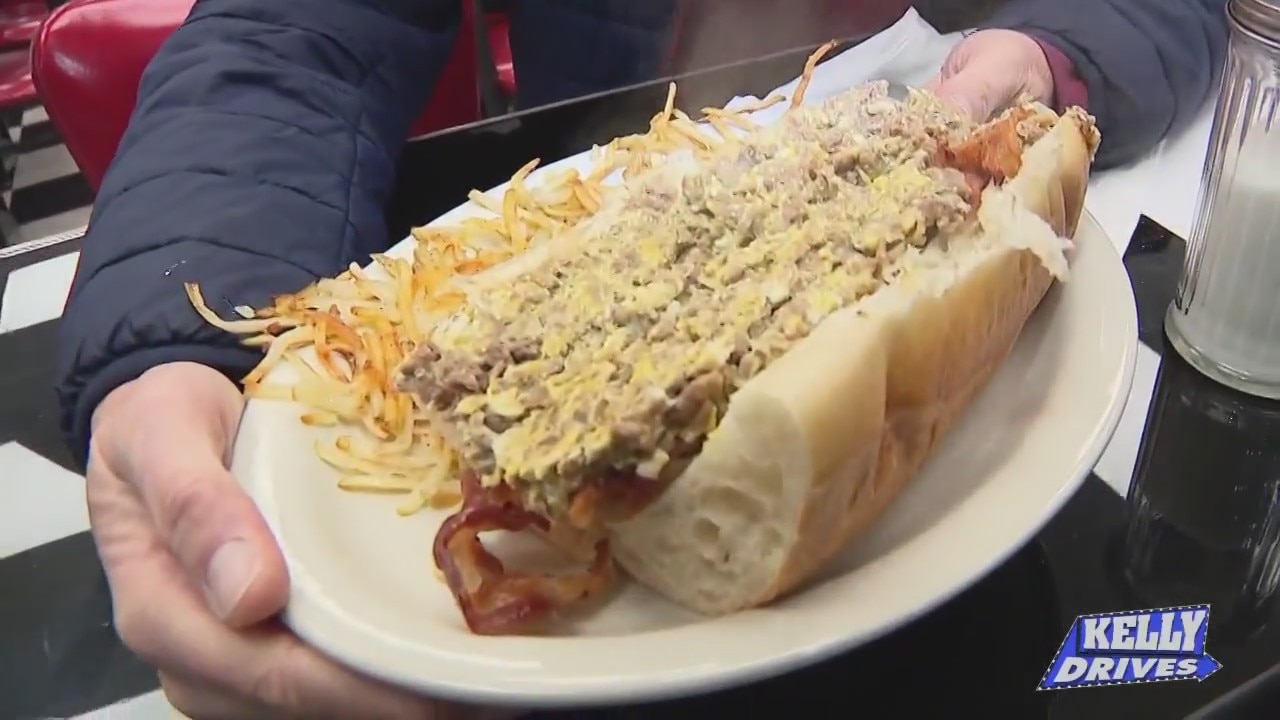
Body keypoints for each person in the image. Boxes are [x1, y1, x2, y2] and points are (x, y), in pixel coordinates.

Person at [55, 0, 1226, 716]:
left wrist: (1050, 53)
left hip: (1000, 619)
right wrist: (172, 339)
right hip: (607, 219)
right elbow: (291, 31)